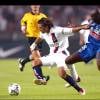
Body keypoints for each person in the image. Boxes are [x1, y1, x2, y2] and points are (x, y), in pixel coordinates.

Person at [30, 18, 89, 95]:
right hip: (52, 55)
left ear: (46, 27)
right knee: (35, 62)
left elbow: (72, 30)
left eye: (40, 27)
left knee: (61, 74)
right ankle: (42, 79)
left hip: (62, 55)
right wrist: (34, 44)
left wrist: (82, 27)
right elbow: (40, 38)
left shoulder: (58, 30)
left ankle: (80, 89)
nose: (39, 29)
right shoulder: (43, 32)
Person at [19, 5, 50, 85]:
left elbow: (47, 26)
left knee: (35, 56)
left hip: (40, 38)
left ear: (39, 6)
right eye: (33, 5)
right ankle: (41, 78)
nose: (35, 6)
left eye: (36, 5)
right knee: (37, 58)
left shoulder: (43, 16)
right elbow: (23, 23)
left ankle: (23, 61)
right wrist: (23, 29)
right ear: (31, 6)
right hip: (31, 38)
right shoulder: (27, 15)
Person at [65, 9, 100, 78]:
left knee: (99, 65)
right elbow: (85, 26)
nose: (91, 18)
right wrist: (74, 27)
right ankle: (76, 78)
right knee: (68, 60)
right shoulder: (92, 22)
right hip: (89, 47)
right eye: (91, 17)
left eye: (93, 17)